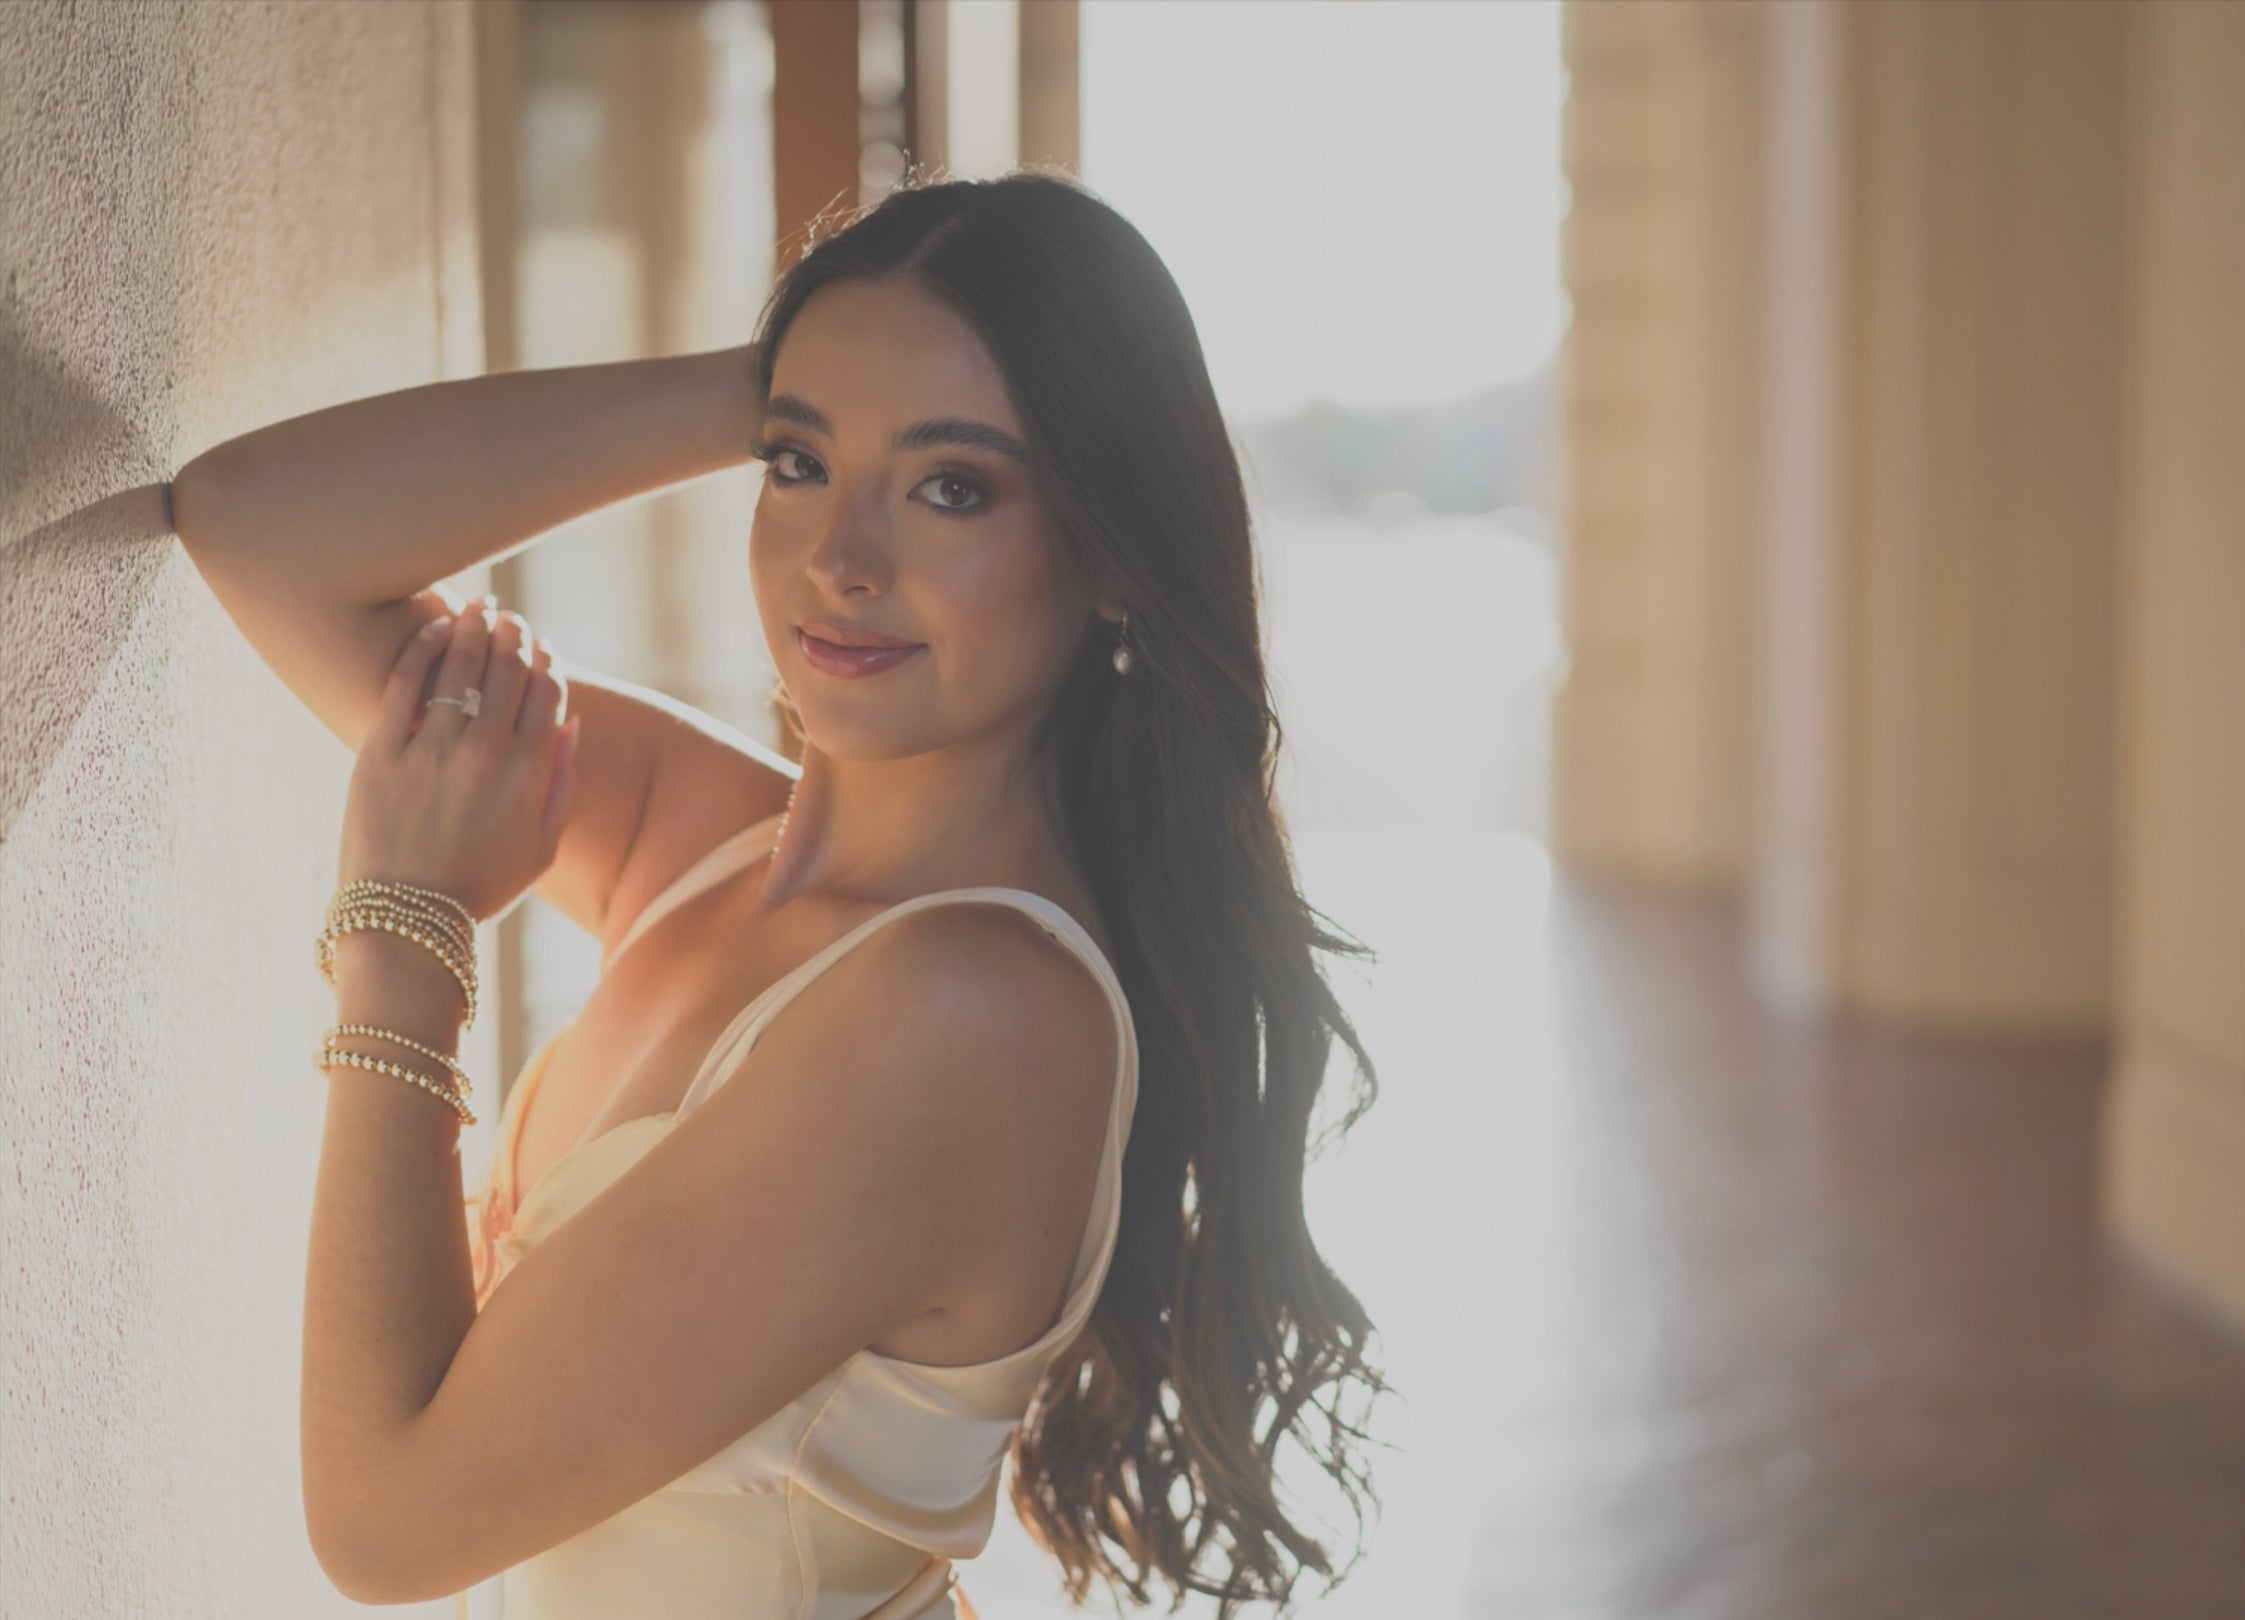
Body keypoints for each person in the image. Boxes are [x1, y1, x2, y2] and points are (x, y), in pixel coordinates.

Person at [169, 169, 1387, 1619]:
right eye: (798, 464)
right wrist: (797, 366)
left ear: (1114, 554)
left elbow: (384, 1527)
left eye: (951, 487)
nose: (841, 559)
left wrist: (406, 943)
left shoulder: (967, 1016)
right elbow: (254, 522)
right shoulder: (714, 843)